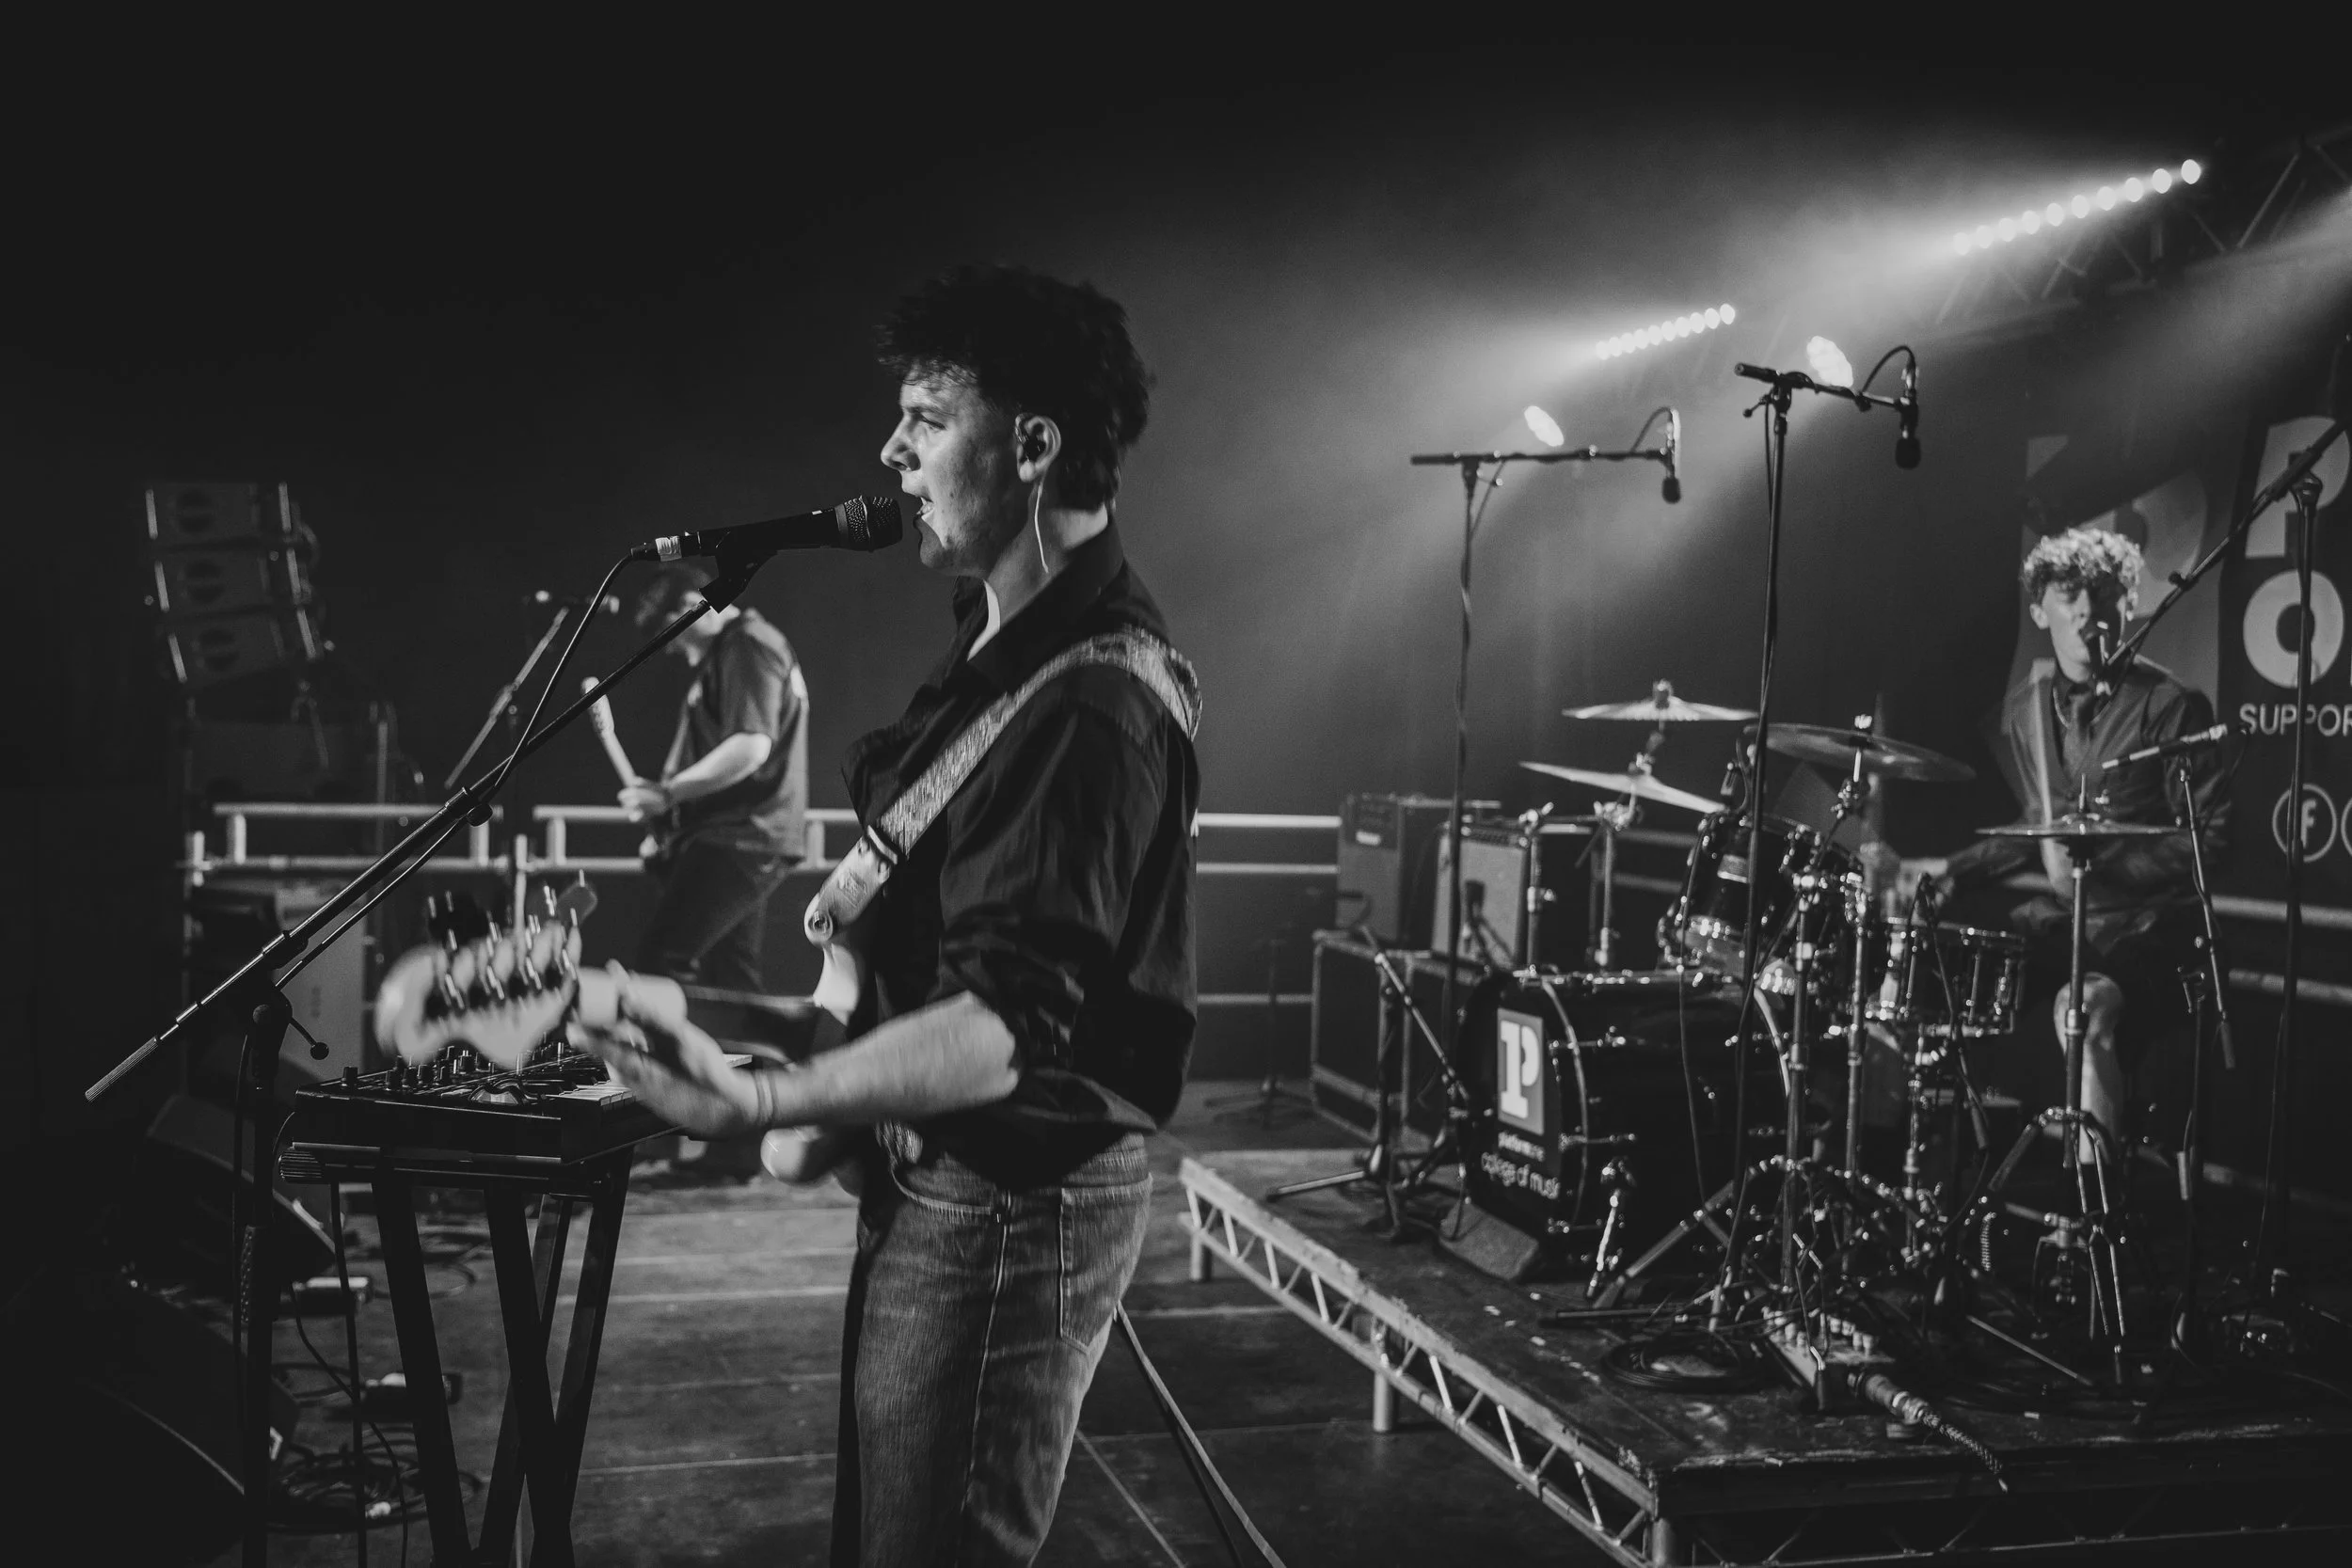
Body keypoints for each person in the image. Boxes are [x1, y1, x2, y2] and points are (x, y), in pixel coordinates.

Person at [574, 264, 1200, 1567]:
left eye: (923, 415)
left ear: (1030, 443)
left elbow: (1001, 1028)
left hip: (1010, 1194)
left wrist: (762, 1105)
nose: (889, 451)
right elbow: (910, 905)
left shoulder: (1093, 702)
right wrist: (826, 1031)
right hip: (943, 1174)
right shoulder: (997, 643)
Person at [1899, 526, 2228, 1152]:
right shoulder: (2032, 710)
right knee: (1941, 975)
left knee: (2086, 1010)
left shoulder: (2173, 705)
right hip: (2067, 922)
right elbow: (2038, 823)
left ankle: (2091, 1210)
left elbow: (2210, 840)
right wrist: (1952, 868)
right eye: (2069, 595)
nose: (2084, 610)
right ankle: (1936, 1183)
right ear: (2040, 609)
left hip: (2153, 927)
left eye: (2102, 595)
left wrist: (2104, 870)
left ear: (2129, 605)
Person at [624, 559, 809, 991]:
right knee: (732, 978)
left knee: (660, 963)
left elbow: (750, 747)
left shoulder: (747, 644)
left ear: (693, 604)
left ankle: (675, 1059)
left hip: (740, 837)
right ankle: (763, 1061)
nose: (669, 649)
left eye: (667, 633)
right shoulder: (735, 650)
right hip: (743, 835)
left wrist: (669, 794)